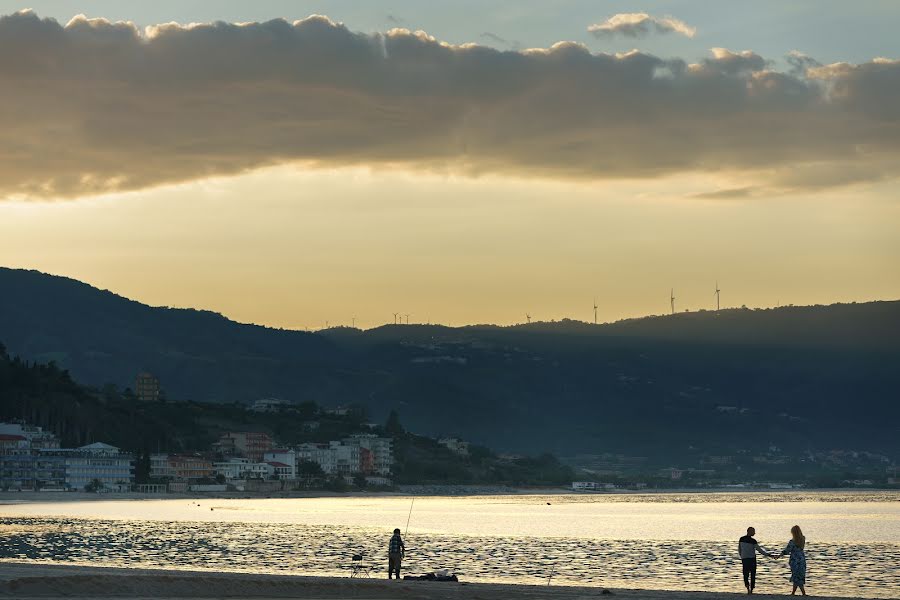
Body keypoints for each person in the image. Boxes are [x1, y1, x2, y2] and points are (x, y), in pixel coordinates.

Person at [738, 526, 773, 594]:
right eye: (753, 531)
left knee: (745, 574)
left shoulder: (741, 539)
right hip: (752, 559)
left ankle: (748, 588)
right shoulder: (753, 541)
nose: (754, 533)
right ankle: (751, 589)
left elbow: (739, 549)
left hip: (744, 559)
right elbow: (760, 550)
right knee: (752, 574)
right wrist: (768, 555)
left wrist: (741, 556)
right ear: (749, 531)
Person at [778, 525, 807, 596]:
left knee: (795, 575)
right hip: (802, 559)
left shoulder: (792, 541)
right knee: (800, 575)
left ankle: (801, 592)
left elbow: (787, 551)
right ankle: (795, 592)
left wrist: (779, 555)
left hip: (794, 559)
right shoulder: (803, 539)